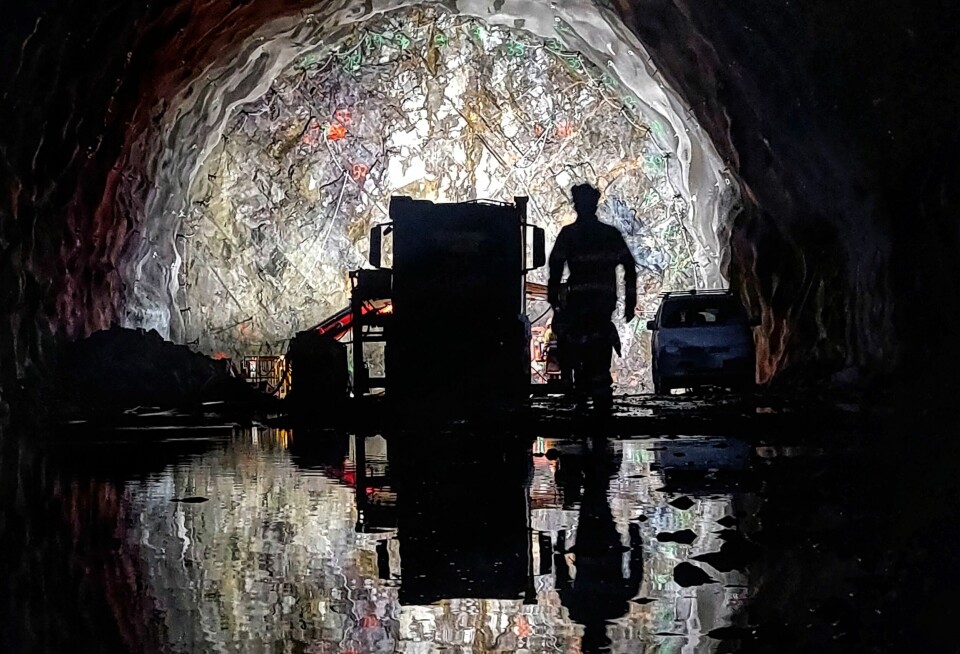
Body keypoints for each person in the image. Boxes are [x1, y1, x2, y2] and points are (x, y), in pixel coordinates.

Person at [548, 184, 637, 412]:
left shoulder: (570, 235)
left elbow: (556, 264)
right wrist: (629, 302)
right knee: (597, 357)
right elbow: (629, 266)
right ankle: (598, 399)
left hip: (580, 307)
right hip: (601, 307)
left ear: (577, 205)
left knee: (576, 348)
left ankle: (580, 391)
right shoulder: (609, 235)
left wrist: (554, 298)